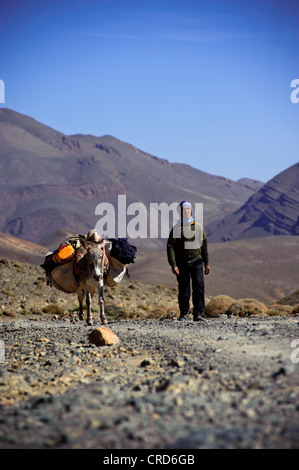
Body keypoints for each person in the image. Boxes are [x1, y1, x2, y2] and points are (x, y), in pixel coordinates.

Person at [167, 201, 210, 321]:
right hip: (182, 264)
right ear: (180, 212)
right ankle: (184, 313)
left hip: (197, 261)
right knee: (184, 289)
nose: (186, 211)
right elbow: (170, 246)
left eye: (188, 209)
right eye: (183, 209)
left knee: (199, 287)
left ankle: (198, 314)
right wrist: (173, 264)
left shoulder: (198, 227)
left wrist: (206, 263)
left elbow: (204, 244)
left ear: (191, 211)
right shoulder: (176, 228)